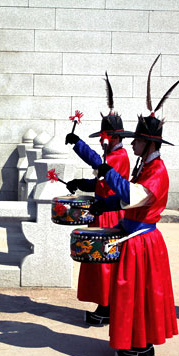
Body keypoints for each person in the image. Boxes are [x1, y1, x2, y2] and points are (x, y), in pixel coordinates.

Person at [68, 58, 179, 356]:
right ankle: (136, 343)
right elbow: (127, 200)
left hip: (141, 239)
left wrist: (102, 169)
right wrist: (105, 203)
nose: (133, 143)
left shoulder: (157, 170)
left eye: (137, 139)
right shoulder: (146, 165)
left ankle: (139, 344)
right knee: (132, 294)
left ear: (148, 143)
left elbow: (132, 194)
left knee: (136, 294)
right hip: (134, 236)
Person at [65, 72, 131, 326]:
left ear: (113, 137)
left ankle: (107, 307)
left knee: (104, 261)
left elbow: (100, 166)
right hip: (102, 210)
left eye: (105, 136)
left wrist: (79, 144)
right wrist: (80, 183)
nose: (102, 140)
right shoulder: (114, 155)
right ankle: (104, 305)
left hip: (111, 213)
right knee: (99, 260)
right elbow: (100, 182)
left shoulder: (119, 157)